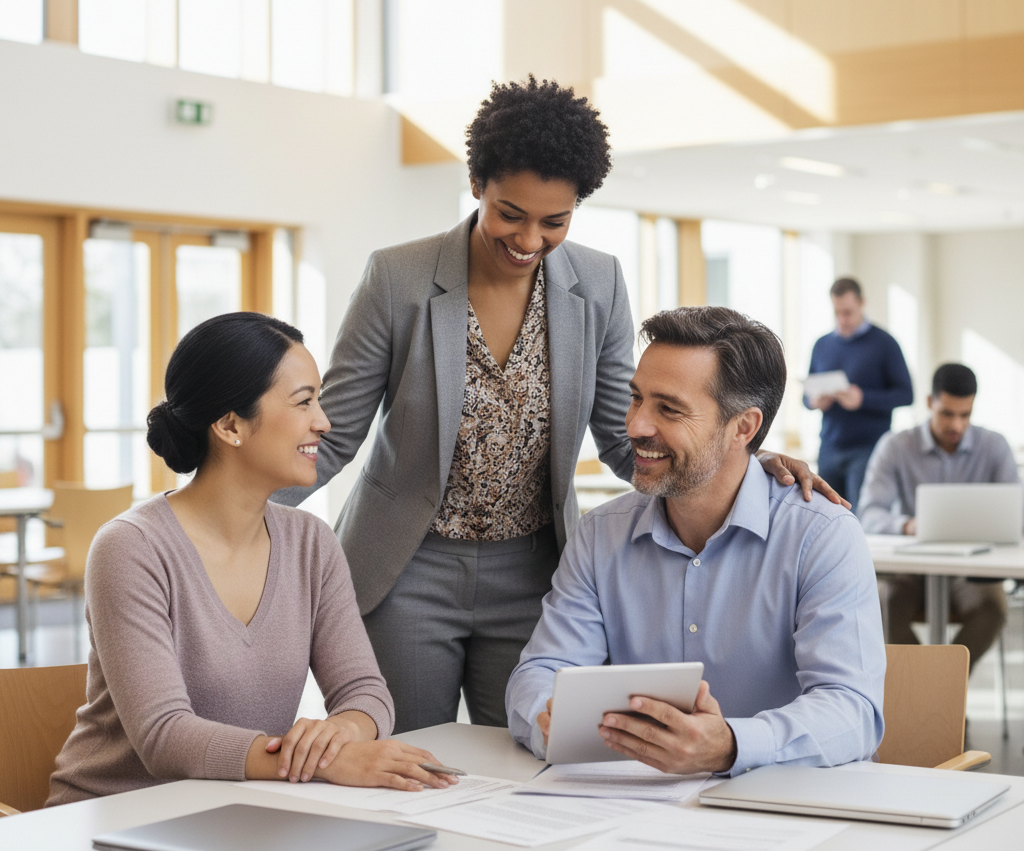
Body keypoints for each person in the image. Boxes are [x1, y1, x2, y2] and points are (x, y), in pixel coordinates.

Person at [276, 77, 841, 734]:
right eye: (510, 213)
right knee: (407, 756)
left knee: (531, 754)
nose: (530, 238)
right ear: (476, 187)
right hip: (408, 568)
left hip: (536, 573)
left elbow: (625, 432)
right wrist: (224, 508)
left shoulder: (597, 284)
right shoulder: (397, 278)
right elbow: (333, 431)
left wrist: (742, 460)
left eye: (555, 221)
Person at [48, 312, 456, 806]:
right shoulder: (130, 548)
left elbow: (365, 690)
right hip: (115, 814)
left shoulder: (312, 543)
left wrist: (346, 730)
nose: (323, 422)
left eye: (319, 401)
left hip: (242, 810)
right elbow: (163, 736)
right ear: (230, 426)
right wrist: (325, 764)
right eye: (304, 402)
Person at [507, 306, 885, 774]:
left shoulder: (822, 537)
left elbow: (853, 711)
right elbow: (540, 672)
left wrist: (732, 744)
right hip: (630, 810)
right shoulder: (600, 535)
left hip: (779, 813)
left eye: (668, 409)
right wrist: (549, 716)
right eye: (635, 399)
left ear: (743, 428)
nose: (635, 426)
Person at [859, 362, 1019, 669]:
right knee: (884, 602)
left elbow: (1017, 515)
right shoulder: (895, 446)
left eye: (965, 415)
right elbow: (869, 512)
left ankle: (942, 693)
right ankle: (932, 696)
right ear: (930, 403)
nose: (956, 425)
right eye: (947, 413)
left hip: (973, 570)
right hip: (911, 568)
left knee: (993, 608)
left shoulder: (994, 447)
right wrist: (907, 525)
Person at [805, 277, 913, 509]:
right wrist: (815, 401)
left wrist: (863, 399)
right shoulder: (822, 345)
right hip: (829, 447)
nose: (842, 319)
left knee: (861, 517)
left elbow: (906, 394)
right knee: (826, 517)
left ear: (862, 303)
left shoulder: (885, 343)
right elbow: (806, 397)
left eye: (848, 312)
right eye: (837, 312)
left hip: (868, 448)